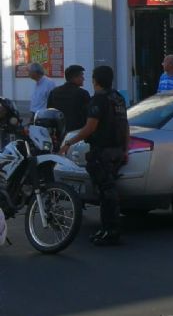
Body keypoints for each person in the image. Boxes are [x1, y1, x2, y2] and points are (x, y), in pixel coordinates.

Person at [60, 66, 129, 246]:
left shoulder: (98, 100)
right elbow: (125, 126)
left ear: (95, 80)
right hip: (117, 150)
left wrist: (69, 143)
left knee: (106, 193)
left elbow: (90, 128)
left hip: (102, 151)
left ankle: (110, 230)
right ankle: (110, 229)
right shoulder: (118, 98)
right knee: (109, 190)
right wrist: (126, 149)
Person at [47, 65, 91, 132]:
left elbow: (49, 111)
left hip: (59, 132)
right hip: (77, 133)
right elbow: (89, 115)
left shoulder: (54, 92)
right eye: (81, 76)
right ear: (74, 78)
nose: (83, 79)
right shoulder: (82, 93)